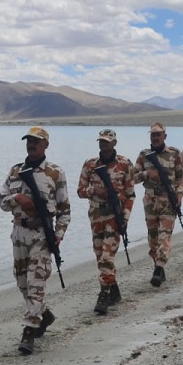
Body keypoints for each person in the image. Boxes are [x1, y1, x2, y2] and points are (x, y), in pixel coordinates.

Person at [0, 126, 71, 354]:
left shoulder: (55, 173)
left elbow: (65, 211)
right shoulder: (15, 171)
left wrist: (57, 237)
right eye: (29, 140)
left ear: (46, 145)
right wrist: (17, 199)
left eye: (37, 141)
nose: (32, 144)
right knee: (22, 283)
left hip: (41, 234)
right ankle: (44, 314)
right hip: (19, 233)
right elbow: (1, 200)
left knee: (35, 281)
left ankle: (29, 331)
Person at [76, 128, 137, 315]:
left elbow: (130, 194)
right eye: (101, 141)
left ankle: (103, 295)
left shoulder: (125, 164)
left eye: (107, 141)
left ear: (114, 144)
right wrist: (94, 191)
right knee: (99, 256)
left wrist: (124, 218)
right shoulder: (90, 164)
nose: (104, 144)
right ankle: (114, 289)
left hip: (114, 217)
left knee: (107, 257)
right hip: (96, 218)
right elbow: (80, 191)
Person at [135, 122, 183, 287]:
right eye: (153, 135)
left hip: (168, 202)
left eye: (158, 135)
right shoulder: (144, 155)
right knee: (153, 238)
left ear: (165, 136)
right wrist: (146, 174)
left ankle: (159, 267)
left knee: (165, 235)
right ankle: (159, 266)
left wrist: (179, 196)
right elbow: (132, 178)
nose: (155, 138)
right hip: (150, 202)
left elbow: (181, 177)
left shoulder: (174, 154)